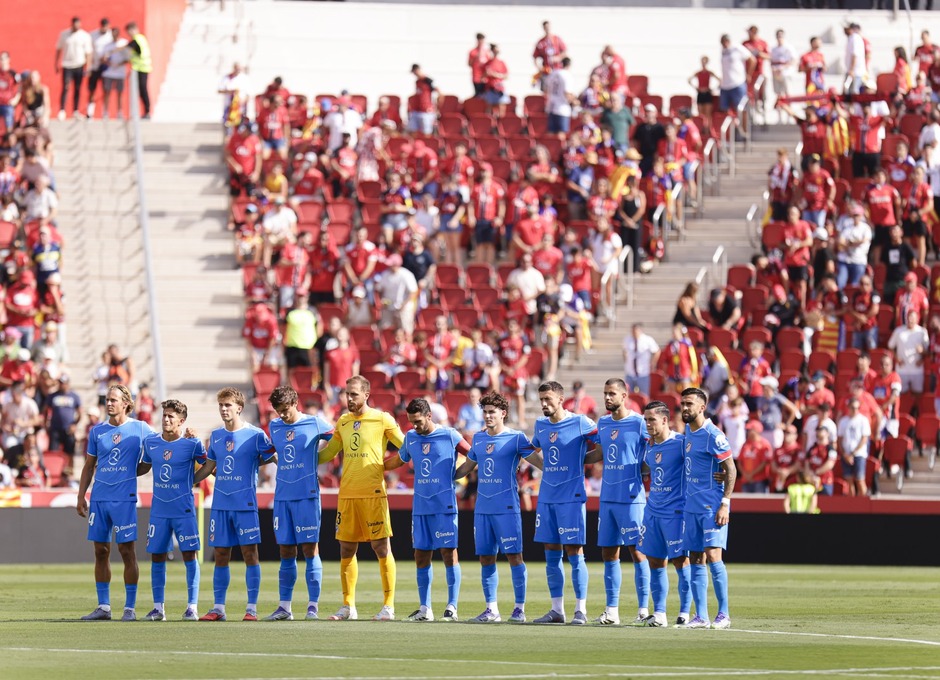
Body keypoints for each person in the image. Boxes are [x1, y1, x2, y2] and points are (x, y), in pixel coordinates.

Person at [318, 375, 406, 621]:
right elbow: (330, 453)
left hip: (373, 493)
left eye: (354, 394)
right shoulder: (343, 421)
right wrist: (303, 459)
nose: (349, 398)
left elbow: (406, 447)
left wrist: (386, 466)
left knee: (381, 547)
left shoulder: (382, 419)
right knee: (346, 548)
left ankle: (388, 606)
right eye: (347, 394)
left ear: (366, 395)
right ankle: (348, 606)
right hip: (347, 494)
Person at [456, 391, 539, 623]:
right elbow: (468, 467)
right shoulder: (479, 439)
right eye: (485, 412)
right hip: (483, 508)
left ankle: (519, 609)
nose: (487, 416)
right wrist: (447, 476)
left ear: (503, 413)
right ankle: (491, 609)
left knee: (514, 556)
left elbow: (538, 462)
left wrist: (561, 466)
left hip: (507, 507)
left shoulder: (516, 438)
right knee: (486, 558)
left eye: (492, 412)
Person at [194, 387, 276, 621]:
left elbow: (274, 458)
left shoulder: (256, 435)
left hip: (245, 504)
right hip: (221, 504)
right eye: (221, 405)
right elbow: (209, 467)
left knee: (250, 554)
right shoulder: (216, 436)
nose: (223, 409)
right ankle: (218, 608)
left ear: (239, 408)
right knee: (221, 554)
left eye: (227, 405)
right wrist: (188, 481)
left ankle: (251, 608)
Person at [386, 398, 470, 622]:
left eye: (418, 421)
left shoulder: (449, 435)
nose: (415, 426)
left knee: (448, 553)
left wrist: (457, 474)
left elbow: (473, 455)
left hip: (444, 505)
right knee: (421, 555)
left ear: (429, 416)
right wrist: (378, 466)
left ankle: (452, 607)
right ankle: (425, 608)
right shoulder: (411, 437)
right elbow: (400, 460)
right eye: (411, 422)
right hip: (421, 506)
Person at [76, 385, 154, 621]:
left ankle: (129, 608)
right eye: (107, 400)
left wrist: (133, 471)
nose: (109, 403)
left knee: (127, 551)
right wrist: (81, 496)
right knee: (100, 551)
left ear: (126, 403)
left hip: (124, 499)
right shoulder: (97, 431)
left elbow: (156, 451)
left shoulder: (141, 428)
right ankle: (104, 607)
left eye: (113, 400)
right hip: (99, 498)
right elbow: (89, 466)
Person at [528, 381, 600, 625]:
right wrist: (544, 466)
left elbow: (603, 446)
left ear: (561, 399)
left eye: (548, 399)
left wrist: (580, 460)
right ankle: (557, 610)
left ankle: (581, 610)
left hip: (571, 497)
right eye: (541, 400)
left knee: (575, 552)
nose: (544, 403)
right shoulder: (541, 425)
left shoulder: (580, 422)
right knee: (551, 553)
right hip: (547, 497)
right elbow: (531, 450)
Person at [260, 386, 334, 622]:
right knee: (286, 551)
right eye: (278, 410)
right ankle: (284, 607)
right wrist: (275, 459)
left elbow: (336, 440)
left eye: (285, 409)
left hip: (307, 495)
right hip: (283, 495)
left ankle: (313, 606)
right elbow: (268, 451)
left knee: (310, 549)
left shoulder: (314, 423)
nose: (282, 414)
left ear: (295, 403)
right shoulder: (275, 426)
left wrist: (318, 457)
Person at [137, 399, 206, 621]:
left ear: (181, 421)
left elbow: (209, 465)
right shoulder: (151, 443)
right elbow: (144, 466)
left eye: (171, 416)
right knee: (157, 556)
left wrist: (192, 480)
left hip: (183, 509)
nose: (166, 419)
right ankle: (158, 609)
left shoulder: (192, 444)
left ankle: (192, 607)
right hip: (159, 510)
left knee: (189, 555)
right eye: (164, 415)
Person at [591, 379, 650, 626]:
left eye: (612, 393)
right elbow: (598, 453)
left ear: (624, 396)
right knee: (609, 552)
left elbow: (654, 450)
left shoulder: (639, 423)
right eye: (605, 393)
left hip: (632, 498)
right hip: (607, 497)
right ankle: (612, 610)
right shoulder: (603, 423)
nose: (607, 398)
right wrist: (571, 458)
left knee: (638, 552)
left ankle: (644, 609)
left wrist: (647, 470)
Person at [679, 387, 736, 629]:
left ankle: (724, 614)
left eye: (689, 404)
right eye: (683, 403)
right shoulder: (688, 432)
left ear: (702, 407)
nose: (684, 408)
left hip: (711, 506)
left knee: (713, 555)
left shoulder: (713, 434)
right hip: (691, 506)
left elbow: (731, 469)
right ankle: (701, 616)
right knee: (695, 557)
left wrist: (725, 504)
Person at [638, 400, 692, 628]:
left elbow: (700, 463)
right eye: (646, 420)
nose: (648, 424)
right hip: (652, 511)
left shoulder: (681, 443)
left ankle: (685, 612)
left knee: (680, 561)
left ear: (664, 420)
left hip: (675, 512)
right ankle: (659, 613)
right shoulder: (649, 446)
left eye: (652, 419)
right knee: (655, 561)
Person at [54, 16, 92, 120]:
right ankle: (62, 110)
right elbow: (58, 49)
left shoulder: (84, 36)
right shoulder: (64, 34)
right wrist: (56, 63)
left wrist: (88, 67)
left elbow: (88, 53)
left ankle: (75, 110)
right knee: (66, 87)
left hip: (79, 65)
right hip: (67, 65)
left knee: (77, 88)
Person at [837, 397, 870, 497]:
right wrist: (844, 454)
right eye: (852, 407)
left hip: (859, 454)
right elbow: (840, 439)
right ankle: (852, 502)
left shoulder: (863, 420)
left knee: (860, 479)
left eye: (857, 408)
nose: (855, 410)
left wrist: (852, 453)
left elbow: (864, 439)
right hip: (846, 454)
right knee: (849, 480)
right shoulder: (843, 421)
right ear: (848, 407)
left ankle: (863, 502)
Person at [719, 33, 755, 114]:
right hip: (725, 85)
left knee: (741, 109)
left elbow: (752, 60)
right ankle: (733, 122)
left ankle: (743, 123)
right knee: (725, 110)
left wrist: (748, 74)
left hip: (737, 83)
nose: (724, 43)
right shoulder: (723, 51)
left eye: (726, 41)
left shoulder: (737, 48)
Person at [623, 323, 660, 396]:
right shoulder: (627, 339)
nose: (634, 333)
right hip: (630, 373)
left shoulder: (647, 340)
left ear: (640, 331)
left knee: (644, 395)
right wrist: (626, 360)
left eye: (635, 331)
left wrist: (653, 363)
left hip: (643, 373)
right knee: (628, 395)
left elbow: (657, 351)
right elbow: (624, 350)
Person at [125, 22, 152, 119]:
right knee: (141, 90)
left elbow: (128, 48)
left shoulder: (137, 39)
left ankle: (146, 111)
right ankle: (144, 111)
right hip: (142, 67)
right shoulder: (141, 38)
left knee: (142, 90)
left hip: (141, 68)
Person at [545, 57, 574, 137]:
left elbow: (546, 89)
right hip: (562, 107)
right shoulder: (567, 75)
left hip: (551, 106)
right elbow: (567, 92)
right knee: (561, 133)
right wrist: (574, 102)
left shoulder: (553, 73)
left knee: (551, 132)